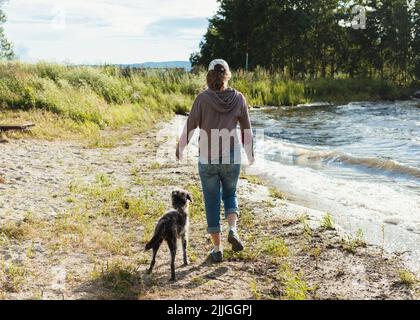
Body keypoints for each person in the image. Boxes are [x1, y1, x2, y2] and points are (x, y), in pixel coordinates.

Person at [176, 59, 254, 263]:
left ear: (209, 76)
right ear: (227, 75)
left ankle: (217, 250)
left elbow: (190, 126)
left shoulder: (202, 99)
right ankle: (232, 229)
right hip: (232, 157)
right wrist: (250, 153)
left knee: (211, 202)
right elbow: (247, 130)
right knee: (230, 194)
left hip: (207, 158)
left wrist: (180, 148)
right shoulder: (238, 98)